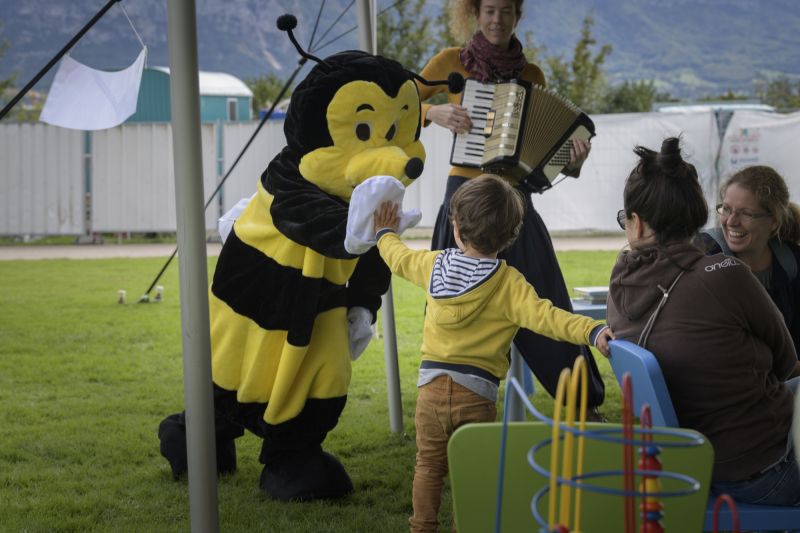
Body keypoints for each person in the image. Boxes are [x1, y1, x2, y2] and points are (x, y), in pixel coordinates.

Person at [373, 174, 615, 532]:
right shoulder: (509, 284)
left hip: (431, 393)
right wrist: (591, 329)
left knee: (428, 466)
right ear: (511, 237)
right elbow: (549, 318)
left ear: (456, 229)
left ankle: (421, 527)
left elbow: (398, 258)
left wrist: (384, 233)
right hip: (476, 396)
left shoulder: (432, 264)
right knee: (475, 473)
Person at [415, 0, 607, 417]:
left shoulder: (531, 75)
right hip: (464, 196)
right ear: (474, 14)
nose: (497, 19)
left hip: (515, 197)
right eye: (489, 11)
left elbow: (543, 163)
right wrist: (434, 111)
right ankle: (443, 404)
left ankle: (581, 403)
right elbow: (397, 104)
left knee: (546, 296)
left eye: (505, 11)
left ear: (517, 17)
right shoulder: (449, 62)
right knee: (452, 303)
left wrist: (571, 160)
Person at [607, 137, 800, 506]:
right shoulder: (725, 273)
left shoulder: (621, 280)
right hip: (761, 470)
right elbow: (785, 361)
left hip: (688, 463)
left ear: (639, 226)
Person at [696, 165, 800, 377]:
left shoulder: (792, 262)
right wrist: (607, 330)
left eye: (746, 214)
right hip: (729, 388)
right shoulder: (702, 255)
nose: (731, 221)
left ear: (773, 221)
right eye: (726, 209)